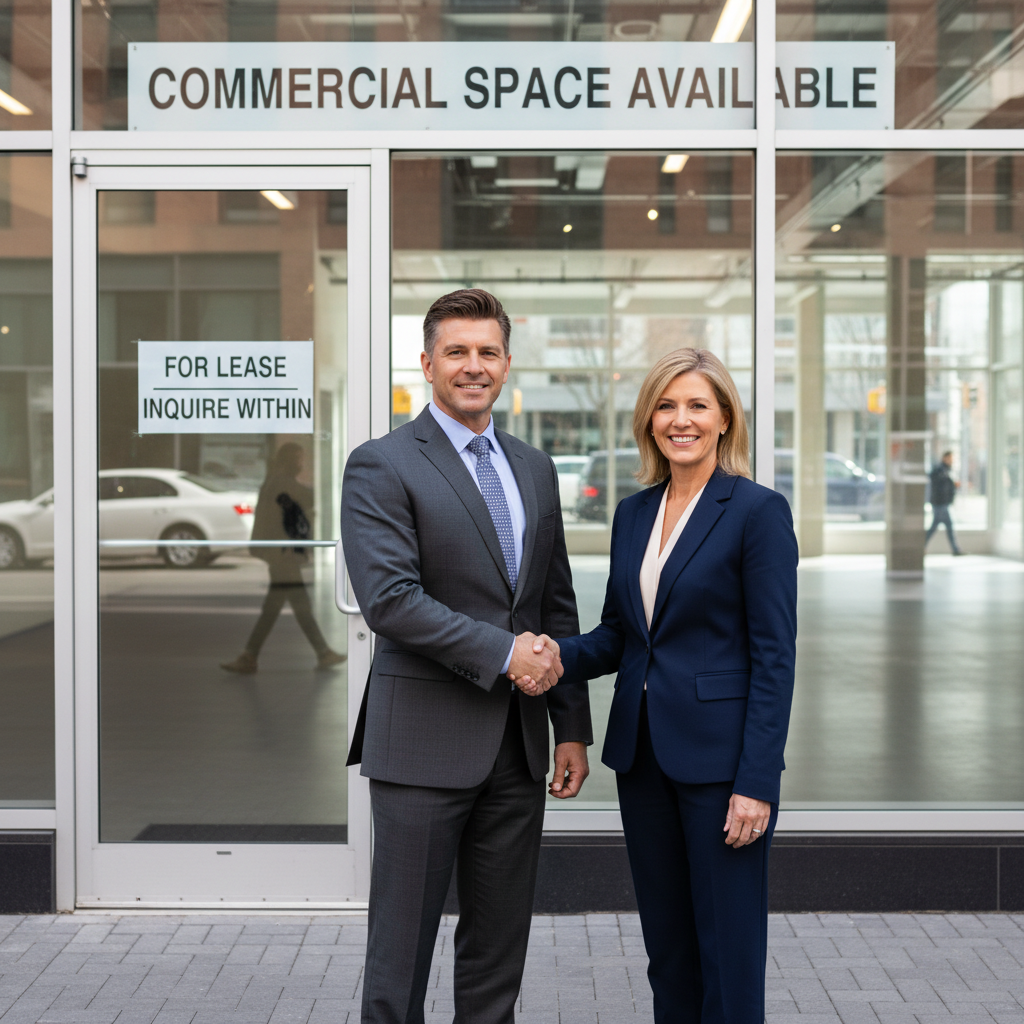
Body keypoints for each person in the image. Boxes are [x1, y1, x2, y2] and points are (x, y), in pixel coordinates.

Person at [340, 288, 592, 1024]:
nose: (473, 366)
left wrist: (570, 725)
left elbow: (554, 602)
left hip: (518, 750)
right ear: (427, 363)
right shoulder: (382, 465)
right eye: (457, 352)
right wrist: (506, 653)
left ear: (507, 364)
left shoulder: (535, 467)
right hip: (422, 746)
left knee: (498, 950)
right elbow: (390, 599)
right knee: (400, 952)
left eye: (487, 352)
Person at [535, 348, 798, 1024]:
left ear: (723, 419)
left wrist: (757, 781)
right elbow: (621, 636)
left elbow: (775, 656)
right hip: (643, 759)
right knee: (668, 950)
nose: (680, 419)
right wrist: (546, 657)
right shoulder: (633, 513)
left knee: (728, 951)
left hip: (721, 769)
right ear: (648, 418)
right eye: (667, 405)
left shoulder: (756, 512)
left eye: (697, 406)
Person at [221, 442, 345, 673]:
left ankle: (250, 656)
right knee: (299, 606)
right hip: (282, 555)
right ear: (289, 461)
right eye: (299, 460)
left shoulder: (273, 480)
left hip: (279, 553)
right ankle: (322, 653)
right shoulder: (283, 483)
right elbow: (308, 497)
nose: (302, 464)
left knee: (275, 606)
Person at [926, 450, 963, 555]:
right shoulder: (939, 470)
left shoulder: (948, 470)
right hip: (940, 503)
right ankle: (955, 550)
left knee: (936, 527)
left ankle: (955, 549)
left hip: (944, 503)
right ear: (945, 458)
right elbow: (937, 482)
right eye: (950, 458)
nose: (952, 460)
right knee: (946, 526)